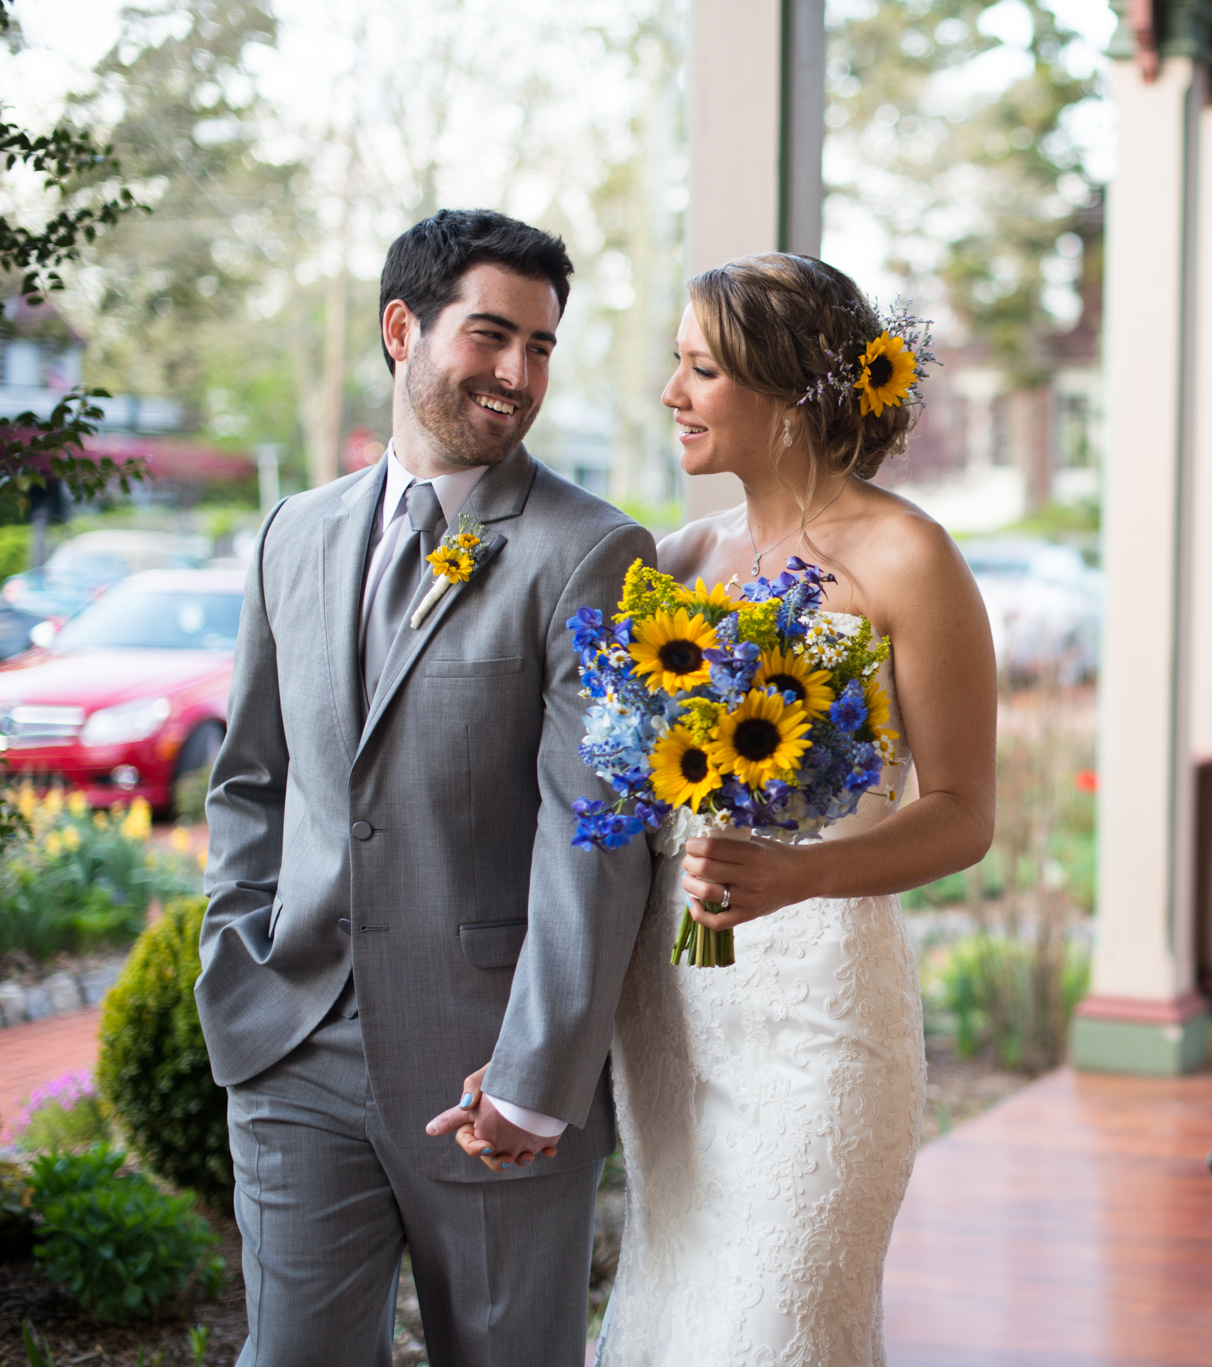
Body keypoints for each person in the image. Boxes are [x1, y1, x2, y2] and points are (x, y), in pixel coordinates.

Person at [197, 209, 656, 1365]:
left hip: (485, 1068)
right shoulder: (289, 537)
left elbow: (591, 833)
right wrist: (236, 961)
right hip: (291, 1042)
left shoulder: (593, 552)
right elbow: (251, 779)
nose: (516, 373)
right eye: (491, 334)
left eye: (541, 345)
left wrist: (536, 1076)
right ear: (404, 329)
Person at [594, 253, 998, 1365]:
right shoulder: (674, 563)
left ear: (785, 392)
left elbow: (964, 810)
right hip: (673, 1011)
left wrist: (801, 872)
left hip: (822, 1020)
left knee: (776, 1331)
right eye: (676, 365)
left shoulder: (908, 557)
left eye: (700, 369)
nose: (671, 393)